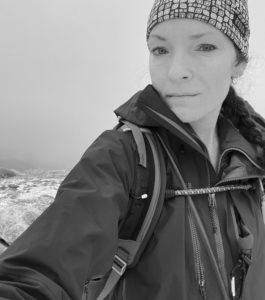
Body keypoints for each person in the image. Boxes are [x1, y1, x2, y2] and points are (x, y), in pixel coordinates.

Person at [0, 0, 265, 299]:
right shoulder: (123, 157)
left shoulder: (252, 159)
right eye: (160, 50)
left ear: (239, 62)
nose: (176, 71)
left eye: (204, 47)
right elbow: (35, 276)